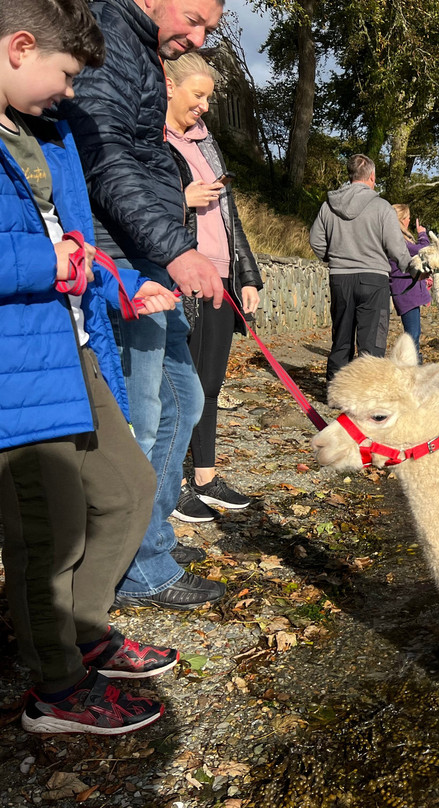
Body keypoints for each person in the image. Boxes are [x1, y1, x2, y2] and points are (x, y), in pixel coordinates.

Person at [0, 0, 183, 734]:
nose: (71, 91)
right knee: (50, 530)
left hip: (71, 346)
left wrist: (119, 283)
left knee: (129, 489)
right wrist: (51, 262)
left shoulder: (46, 132)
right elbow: (48, 252)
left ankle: (83, 628)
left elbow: (75, 242)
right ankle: (56, 689)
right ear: (19, 46)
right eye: (66, 73)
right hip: (17, 367)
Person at [58, 0, 227, 609]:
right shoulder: (108, 36)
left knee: (185, 400)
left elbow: (139, 155)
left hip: (149, 251)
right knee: (146, 416)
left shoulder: (142, 48)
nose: (199, 35)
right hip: (121, 259)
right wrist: (176, 251)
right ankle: (139, 568)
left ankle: (150, 543)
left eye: (209, 27)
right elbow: (104, 158)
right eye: (195, 18)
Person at [162, 52, 262, 522]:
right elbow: (135, 203)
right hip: (185, 275)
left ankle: (205, 476)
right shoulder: (152, 141)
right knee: (184, 387)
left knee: (212, 383)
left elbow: (231, 216)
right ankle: (175, 484)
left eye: (208, 97)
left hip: (222, 275)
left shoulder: (208, 144)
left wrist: (246, 275)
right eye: (197, 95)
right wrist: (182, 198)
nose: (203, 106)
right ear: (169, 86)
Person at [309, 153, 416, 381]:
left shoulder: (329, 206)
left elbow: (316, 240)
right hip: (374, 279)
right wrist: (412, 268)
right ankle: (367, 393)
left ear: (350, 175)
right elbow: (396, 247)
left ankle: (336, 393)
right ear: (372, 177)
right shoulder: (382, 208)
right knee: (371, 343)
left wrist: (334, 258)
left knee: (341, 338)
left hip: (340, 278)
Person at [389, 202, 432, 360]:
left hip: (408, 291)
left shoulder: (400, 239)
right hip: (406, 292)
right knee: (412, 334)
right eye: (407, 218)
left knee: (414, 333)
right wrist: (422, 234)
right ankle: (412, 369)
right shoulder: (401, 241)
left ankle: (413, 367)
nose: (409, 221)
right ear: (401, 220)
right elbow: (424, 251)